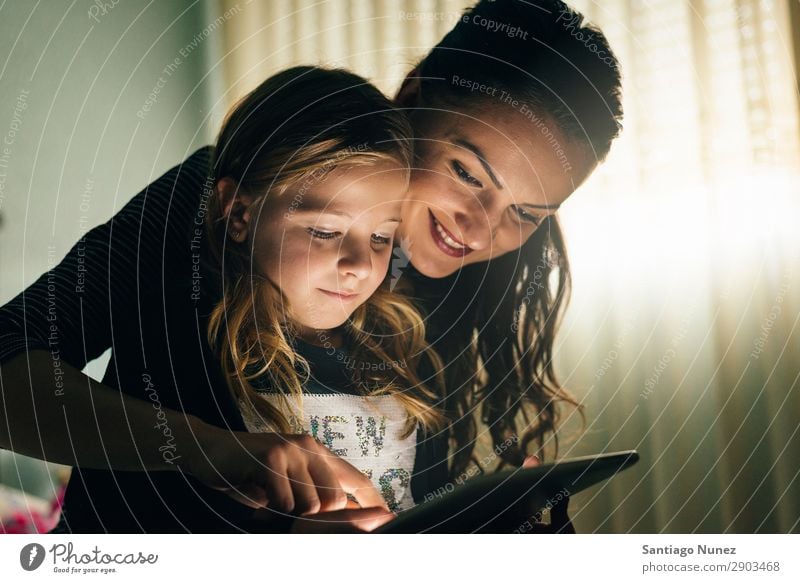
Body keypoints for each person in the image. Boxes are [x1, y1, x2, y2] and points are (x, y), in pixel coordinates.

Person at [0, 0, 622, 532]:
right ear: (410, 97)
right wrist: (211, 450)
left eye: (526, 213)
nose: (477, 227)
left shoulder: (472, 275)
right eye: (465, 172)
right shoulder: (231, 197)